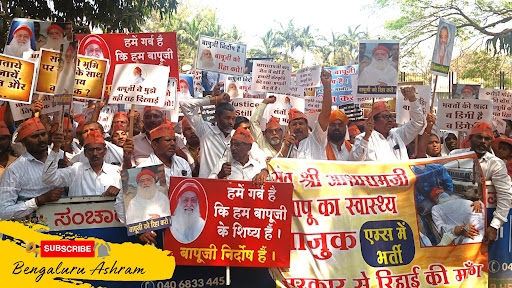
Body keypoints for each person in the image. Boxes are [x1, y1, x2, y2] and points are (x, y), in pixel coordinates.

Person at [449, 122, 512, 244]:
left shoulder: (495, 164)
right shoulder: (455, 155)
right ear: (470, 138)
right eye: (479, 137)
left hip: (478, 219)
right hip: (452, 214)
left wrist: (494, 225)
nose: (483, 141)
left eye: (487, 139)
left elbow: (505, 195)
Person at [0, 117, 65, 220]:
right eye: (35, 136)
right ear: (23, 143)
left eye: (43, 134)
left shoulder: (62, 157)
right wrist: (38, 201)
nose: (41, 139)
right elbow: (3, 212)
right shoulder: (14, 171)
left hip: (68, 222)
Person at [350, 87, 425, 161]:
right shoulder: (362, 138)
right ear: (373, 121)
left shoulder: (397, 134)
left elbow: (418, 122)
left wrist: (412, 99)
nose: (390, 120)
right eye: (385, 117)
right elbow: (356, 160)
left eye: (391, 117)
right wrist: (366, 138)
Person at [42, 130, 121, 197]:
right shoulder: (76, 170)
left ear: (105, 151)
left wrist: (119, 192)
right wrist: (56, 148)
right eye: (91, 150)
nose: (95, 153)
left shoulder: (115, 172)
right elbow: (48, 178)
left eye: (98, 149)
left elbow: (129, 196)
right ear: (85, 153)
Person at [179, 92, 237, 178]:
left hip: (230, 188)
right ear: (216, 117)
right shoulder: (206, 131)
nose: (231, 122)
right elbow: (184, 104)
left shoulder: (237, 136)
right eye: (227, 118)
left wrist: (264, 170)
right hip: (207, 187)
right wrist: (215, 99)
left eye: (233, 119)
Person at [281, 69, 333, 159]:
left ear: (307, 125)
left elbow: (325, 114)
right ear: (289, 128)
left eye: (301, 123)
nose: (298, 127)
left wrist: (327, 86)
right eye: (294, 124)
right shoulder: (287, 146)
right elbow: (277, 166)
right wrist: (285, 148)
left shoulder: (316, 139)